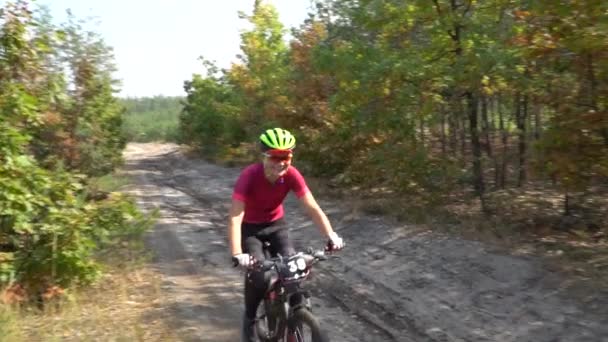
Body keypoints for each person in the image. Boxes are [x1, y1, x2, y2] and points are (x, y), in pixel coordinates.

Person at [227, 127, 344, 342]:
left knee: (293, 270)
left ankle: (296, 312)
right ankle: (251, 318)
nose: (281, 162)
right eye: (275, 156)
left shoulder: (291, 174)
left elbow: (312, 208)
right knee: (260, 277)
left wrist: (331, 236)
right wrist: (237, 253)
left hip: (276, 226)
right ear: (264, 156)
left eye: (286, 156)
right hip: (250, 229)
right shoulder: (249, 176)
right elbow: (235, 217)